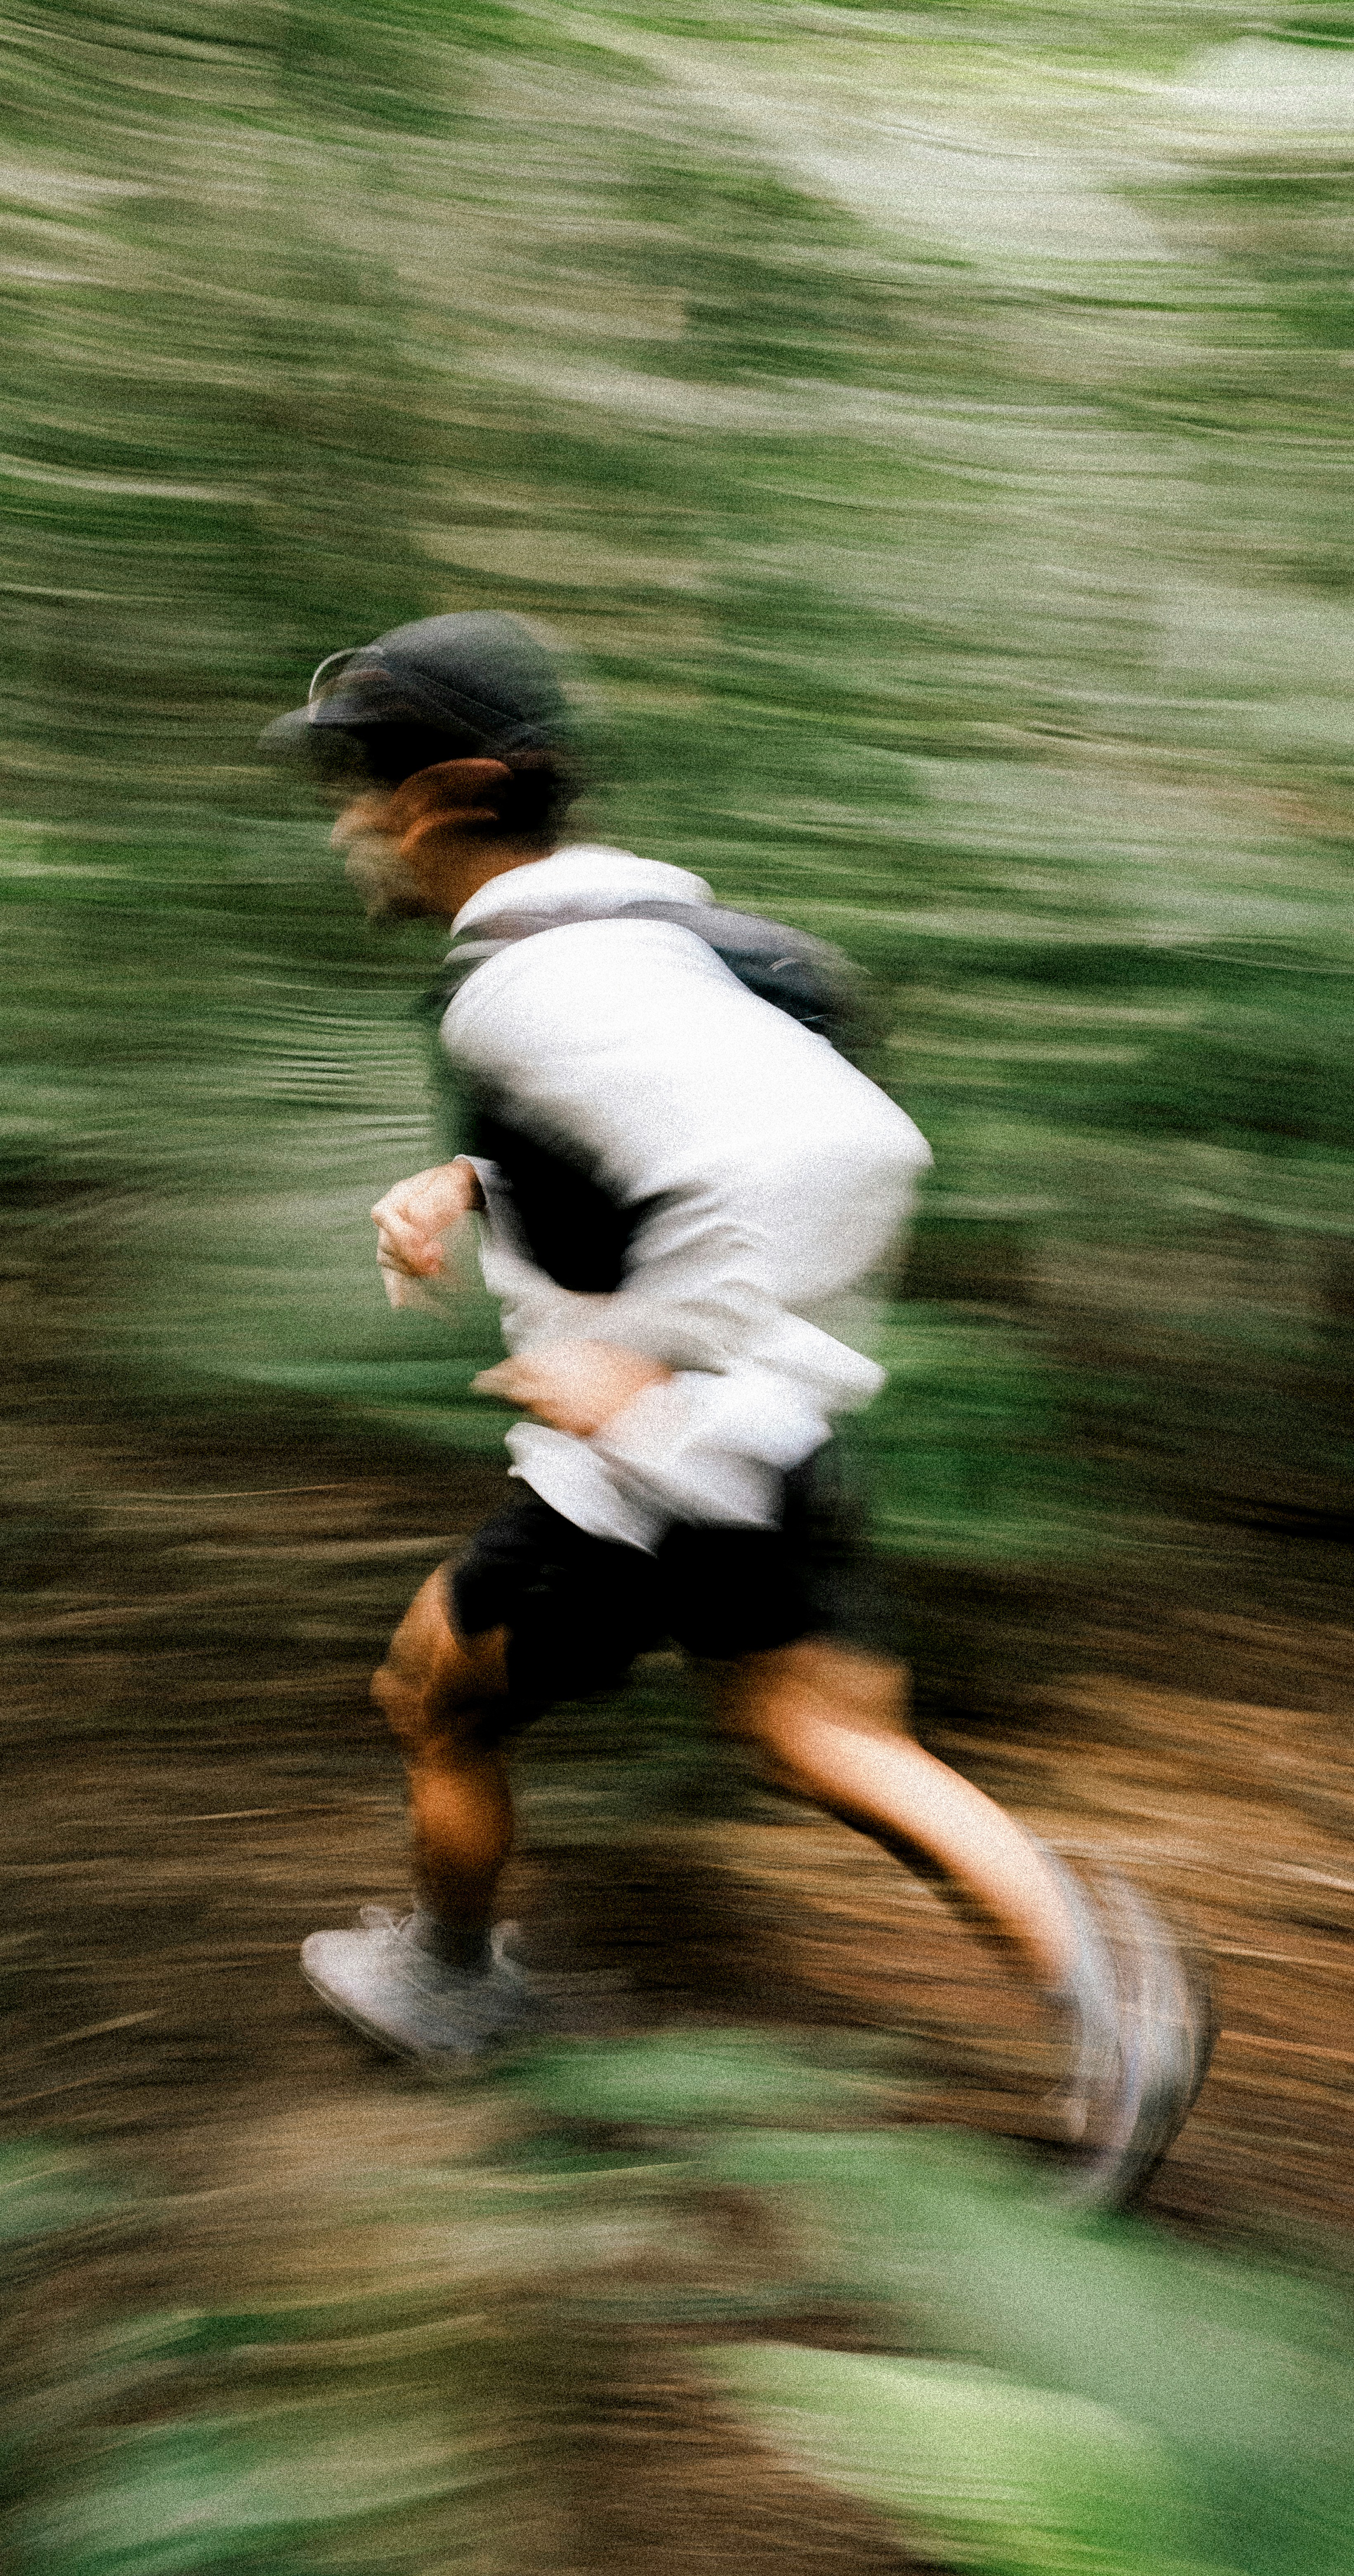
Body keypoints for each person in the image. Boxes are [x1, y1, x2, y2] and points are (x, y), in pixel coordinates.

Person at [265, 611, 1208, 2202]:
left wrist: (655, 1363)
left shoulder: (525, 982)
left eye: (364, 782)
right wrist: (475, 1180)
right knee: (826, 1739)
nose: (351, 818)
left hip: (626, 1478)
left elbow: (838, 1155)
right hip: (770, 1445)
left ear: (450, 794)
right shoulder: (669, 939)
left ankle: (453, 1986)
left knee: (435, 1691)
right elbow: (703, 1117)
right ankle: (1113, 1994)